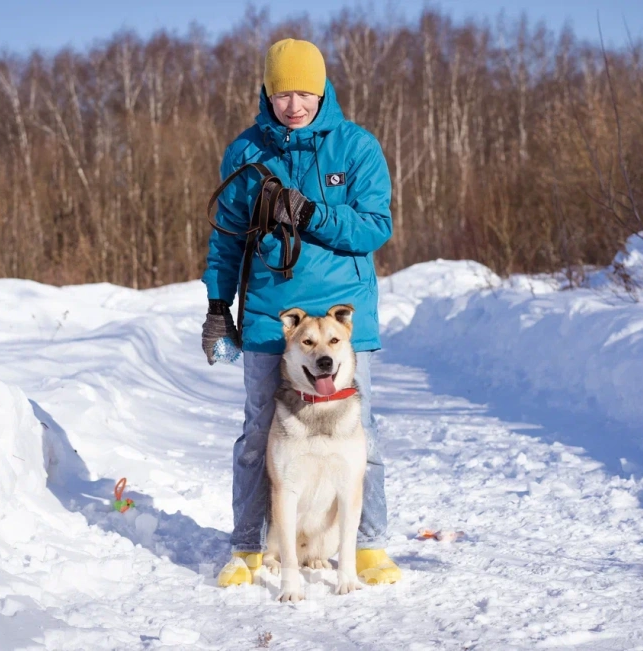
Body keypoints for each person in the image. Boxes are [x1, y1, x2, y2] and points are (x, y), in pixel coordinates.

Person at [201, 38, 401, 588]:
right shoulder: (246, 152)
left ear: (322, 91)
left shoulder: (356, 147)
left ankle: (368, 547)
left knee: (362, 436)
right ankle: (248, 548)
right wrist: (218, 306)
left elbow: (374, 227)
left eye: (305, 93)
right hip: (272, 319)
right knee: (258, 434)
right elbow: (226, 240)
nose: (294, 105)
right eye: (283, 93)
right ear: (267, 92)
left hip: (343, 322)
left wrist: (311, 213)